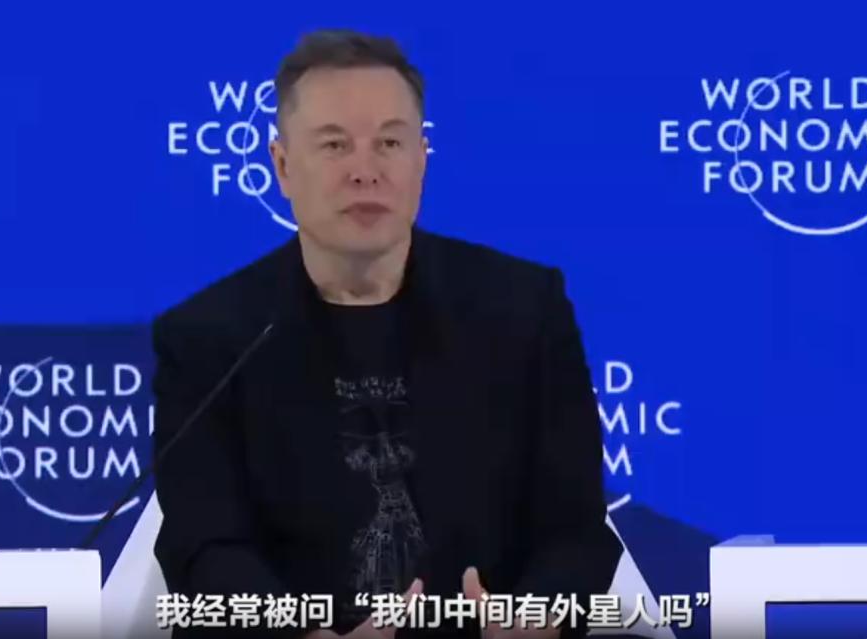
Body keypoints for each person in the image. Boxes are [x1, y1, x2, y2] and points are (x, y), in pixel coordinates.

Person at [151, 29, 622, 639]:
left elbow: (575, 528)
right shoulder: (210, 337)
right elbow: (204, 546)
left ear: (421, 159)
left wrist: (537, 619)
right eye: (335, 145)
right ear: (282, 166)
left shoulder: (524, 310)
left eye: (390, 143)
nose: (365, 172)